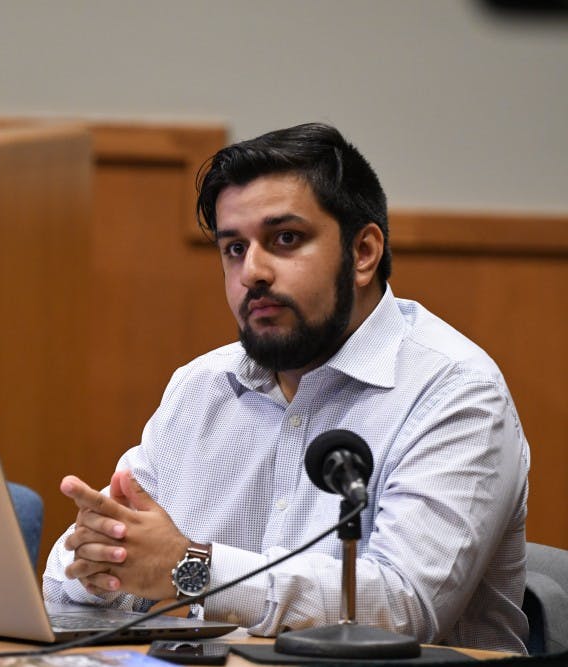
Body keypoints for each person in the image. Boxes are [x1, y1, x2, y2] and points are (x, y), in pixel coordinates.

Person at [43, 123, 530, 653]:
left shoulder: (455, 391)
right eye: (233, 248)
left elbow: (403, 607)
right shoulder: (201, 388)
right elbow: (72, 576)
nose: (252, 271)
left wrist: (190, 567)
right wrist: (101, 560)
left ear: (363, 252)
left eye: (286, 239)